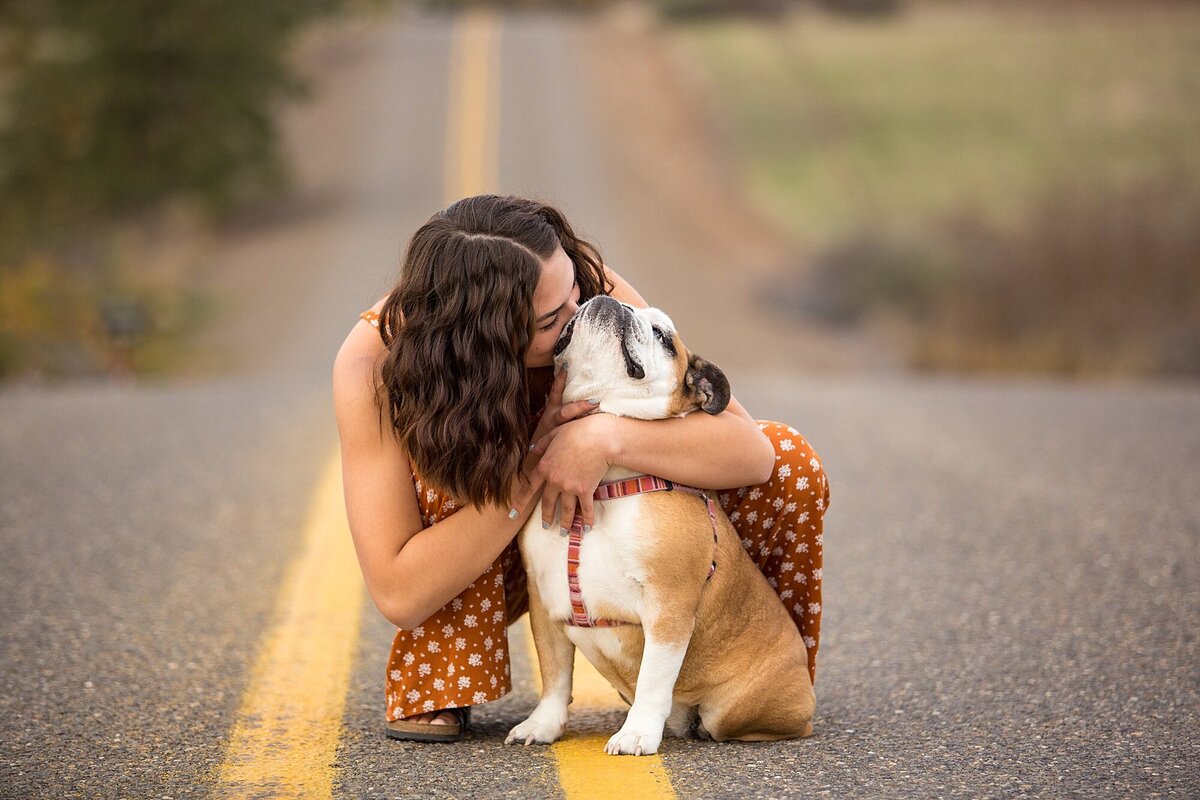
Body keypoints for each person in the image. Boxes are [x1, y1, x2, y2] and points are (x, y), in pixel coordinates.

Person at [333, 194, 829, 742]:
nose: (579, 315)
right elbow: (400, 593)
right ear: (484, 342)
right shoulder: (372, 365)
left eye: (576, 294)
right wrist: (538, 462)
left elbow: (752, 452)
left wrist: (603, 435)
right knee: (451, 467)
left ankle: (743, 676)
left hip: (612, 527)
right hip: (492, 554)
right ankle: (442, 675)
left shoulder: (576, 286)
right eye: (550, 321)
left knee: (791, 462)